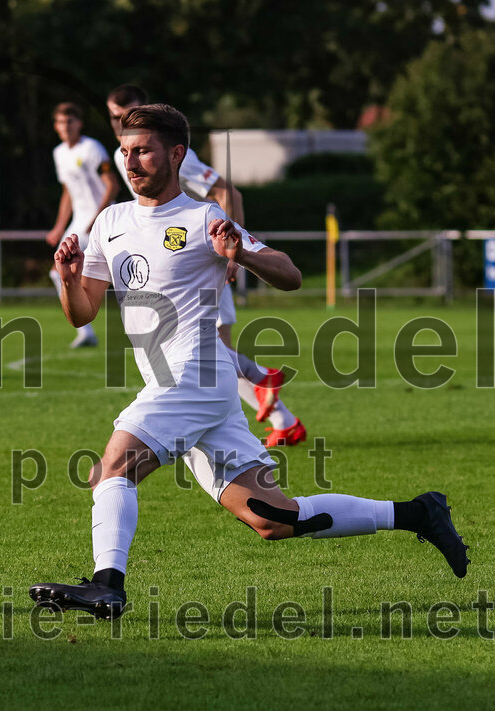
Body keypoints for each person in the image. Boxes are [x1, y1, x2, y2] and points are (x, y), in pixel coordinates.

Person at [29, 104, 469, 620]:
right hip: (200, 387)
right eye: (126, 151)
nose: (131, 161)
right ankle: (419, 512)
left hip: (191, 374)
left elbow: (290, 273)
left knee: (112, 467)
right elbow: (82, 314)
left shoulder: (203, 217)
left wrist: (242, 255)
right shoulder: (110, 221)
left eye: (143, 150)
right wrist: (69, 277)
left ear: (176, 154)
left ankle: (108, 585)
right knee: (272, 517)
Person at [107, 85, 305, 446]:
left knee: (205, 353)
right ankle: (278, 413)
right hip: (171, 257)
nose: (120, 122)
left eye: (129, 112)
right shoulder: (127, 155)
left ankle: (263, 383)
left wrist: (233, 252)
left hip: (197, 257)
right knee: (207, 359)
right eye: (114, 116)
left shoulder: (172, 154)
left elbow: (229, 191)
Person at [46, 102, 118, 348]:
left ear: (79, 123)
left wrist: (97, 218)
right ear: (55, 126)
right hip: (80, 222)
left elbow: (112, 185)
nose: (65, 126)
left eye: (70, 121)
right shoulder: (59, 153)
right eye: (60, 122)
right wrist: (59, 227)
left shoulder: (92, 148)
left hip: (103, 218)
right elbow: (68, 191)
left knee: (119, 274)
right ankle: (85, 330)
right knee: (58, 271)